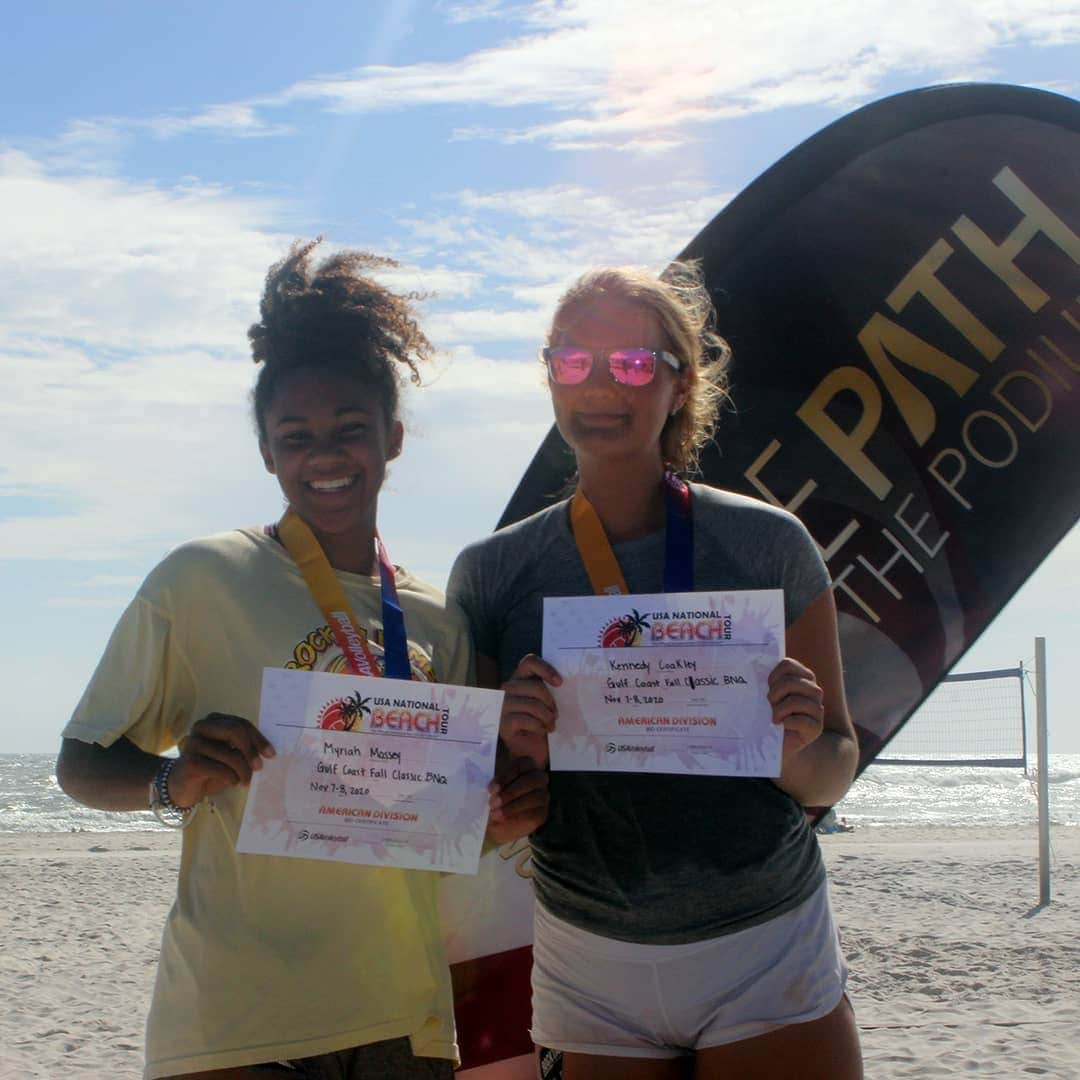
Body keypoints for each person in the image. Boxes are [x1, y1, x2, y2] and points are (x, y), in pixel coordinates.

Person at [55, 239, 547, 1080]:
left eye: (350, 430)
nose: (324, 455)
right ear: (266, 451)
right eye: (296, 436)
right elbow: (79, 762)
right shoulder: (201, 579)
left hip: (406, 1018)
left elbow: (454, 819)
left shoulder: (438, 618)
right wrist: (174, 780)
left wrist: (505, 812)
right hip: (236, 1012)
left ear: (392, 438)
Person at [448, 263, 863, 1079]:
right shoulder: (492, 571)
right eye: (573, 361)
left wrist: (795, 747)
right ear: (549, 377)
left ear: (681, 385)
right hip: (588, 960)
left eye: (634, 364)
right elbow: (475, 814)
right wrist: (511, 750)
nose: (601, 384)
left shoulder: (769, 544)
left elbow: (831, 774)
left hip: (766, 941)